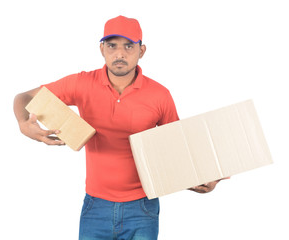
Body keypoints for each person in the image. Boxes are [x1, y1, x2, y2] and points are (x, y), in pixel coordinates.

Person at [14, 15, 224, 240]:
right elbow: (24, 96)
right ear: (102, 48)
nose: (120, 54)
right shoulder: (81, 84)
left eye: (129, 46)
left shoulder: (159, 95)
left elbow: (175, 147)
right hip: (95, 206)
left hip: (143, 208)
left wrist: (202, 178)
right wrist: (23, 124)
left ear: (141, 51)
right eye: (112, 46)